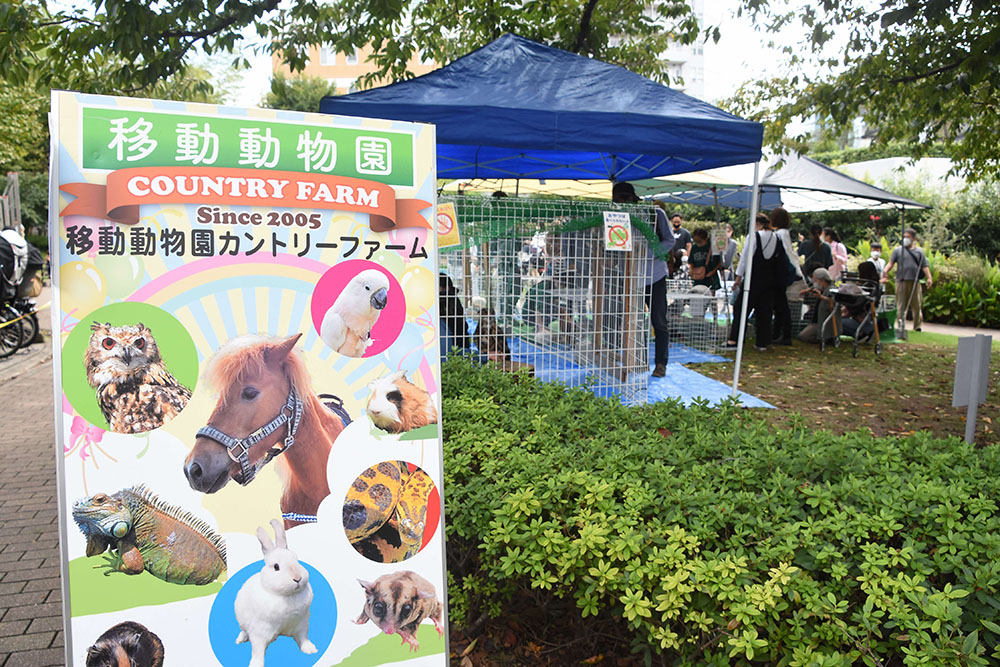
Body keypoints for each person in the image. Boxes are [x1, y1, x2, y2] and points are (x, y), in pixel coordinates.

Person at [613, 182, 673, 377]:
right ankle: (634, 360)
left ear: (633, 198)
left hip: (654, 275)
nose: (622, 203)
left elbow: (669, 240)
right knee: (631, 321)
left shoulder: (655, 214)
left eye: (626, 199)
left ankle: (661, 363)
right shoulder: (615, 217)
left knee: (659, 320)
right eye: (618, 200)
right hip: (629, 276)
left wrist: (649, 253)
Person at [725, 213, 785, 351]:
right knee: (765, 311)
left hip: (754, 278)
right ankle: (762, 342)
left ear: (757, 223)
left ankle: (735, 340)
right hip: (770, 280)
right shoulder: (777, 237)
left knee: (741, 308)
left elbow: (745, 258)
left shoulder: (754, 237)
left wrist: (738, 278)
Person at [882, 228, 933, 331]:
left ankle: (917, 326)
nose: (905, 239)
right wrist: (885, 271)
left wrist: (929, 278)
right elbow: (891, 263)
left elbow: (925, 266)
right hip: (901, 280)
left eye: (908, 237)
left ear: (913, 239)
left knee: (916, 304)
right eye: (904, 237)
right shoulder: (898, 250)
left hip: (914, 281)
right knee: (901, 304)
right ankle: (901, 325)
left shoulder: (919, 251)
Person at [769, 207, 803, 345]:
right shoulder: (785, 233)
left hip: (782, 274)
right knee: (781, 305)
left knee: (781, 306)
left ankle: (782, 334)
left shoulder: (780, 234)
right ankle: (779, 333)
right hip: (786, 273)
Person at [797, 268, 840, 344]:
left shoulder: (831, 289)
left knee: (804, 336)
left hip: (825, 322)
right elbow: (814, 288)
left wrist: (821, 297)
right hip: (817, 321)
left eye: (815, 280)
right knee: (802, 336)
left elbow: (833, 302)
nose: (814, 282)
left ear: (821, 280)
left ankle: (825, 339)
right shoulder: (822, 288)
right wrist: (809, 290)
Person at [668, 213, 692, 278]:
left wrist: (687, 257)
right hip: (671, 259)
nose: (676, 223)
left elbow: (689, 245)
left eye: (678, 222)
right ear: (671, 221)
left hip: (682, 259)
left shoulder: (686, 233)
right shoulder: (669, 232)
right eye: (675, 222)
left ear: (681, 221)